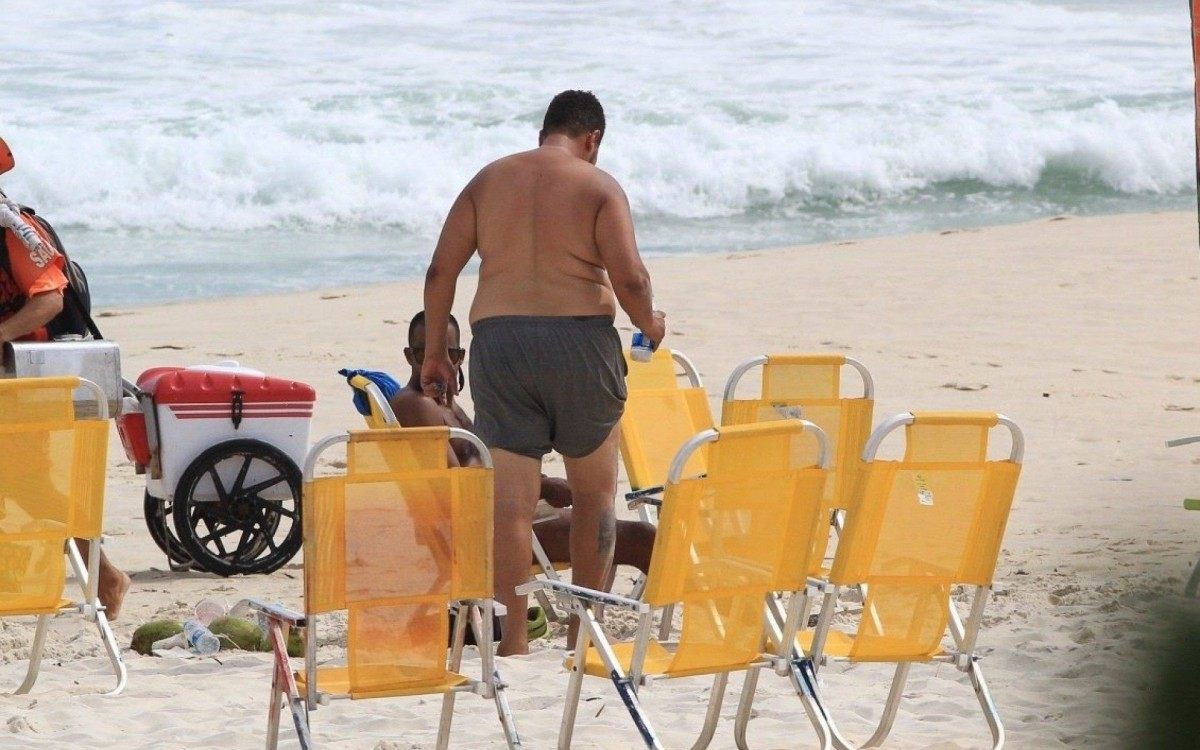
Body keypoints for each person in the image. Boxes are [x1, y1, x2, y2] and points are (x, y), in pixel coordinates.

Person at [421, 90, 666, 655]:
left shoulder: (488, 181)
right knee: (596, 496)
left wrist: (436, 349)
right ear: (592, 139)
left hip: (501, 343)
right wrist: (648, 322)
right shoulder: (599, 186)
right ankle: (584, 633)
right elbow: (630, 279)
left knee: (509, 504)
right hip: (580, 341)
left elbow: (441, 272)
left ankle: (513, 643)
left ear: (544, 131)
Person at [390, 311, 655, 594]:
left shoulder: (445, 405)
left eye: (449, 354)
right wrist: (541, 486)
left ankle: (595, 619)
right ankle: (618, 625)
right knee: (640, 537)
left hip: (502, 515)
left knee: (604, 523)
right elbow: (460, 488)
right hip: (486, 533)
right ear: (408, 356)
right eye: (423, 353)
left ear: (461, 357)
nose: (437, 362)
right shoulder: (416, 404)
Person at [0, 137, 131, 619]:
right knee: (25, 487)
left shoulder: (14, 230)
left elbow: (50, 299)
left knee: (28, 486)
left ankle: (106, 577)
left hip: (28, 378)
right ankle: (104, 576)